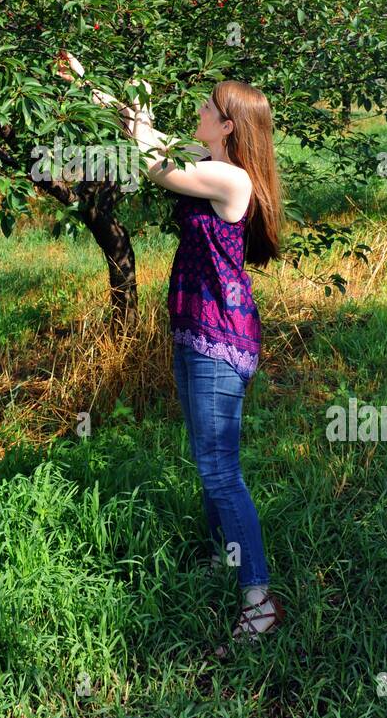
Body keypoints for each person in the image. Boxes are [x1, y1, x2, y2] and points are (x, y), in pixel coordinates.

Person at [56, 51, 285, 647]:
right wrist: (89, 84)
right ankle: (224, 556)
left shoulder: (231, 178)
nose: (200, 109)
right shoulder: (210, 162)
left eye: (209, 106)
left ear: (230, 125)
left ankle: (258, 599)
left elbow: (156, 166)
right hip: (194, 325)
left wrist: (139, 122)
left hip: (218, 335)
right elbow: (148, 136)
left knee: (219, 469)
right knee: (208, 461)